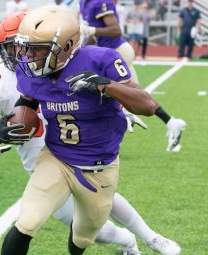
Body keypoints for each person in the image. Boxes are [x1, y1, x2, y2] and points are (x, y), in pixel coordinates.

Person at [0, 11, 180, 255]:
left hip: (98, 167)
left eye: (36, 50)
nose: (27, 57)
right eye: (26, 49)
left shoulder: (100, 60)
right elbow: (26, 104)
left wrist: (107, 87)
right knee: (26, 222)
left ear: (68, 45)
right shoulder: (30, 73)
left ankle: (123, 239)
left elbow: (147, 105)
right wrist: (4, 128)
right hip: (56, 158)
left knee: (80, 242)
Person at [79, 0, 187, 152]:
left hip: (116, 53)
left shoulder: (100, 2)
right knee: (136, 95)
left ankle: (106, 140)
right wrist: (82, 47)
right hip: (109, 53)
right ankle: (171, 123)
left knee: (116, 96)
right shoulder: (84, 3)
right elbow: (94, 36)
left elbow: (116, 30)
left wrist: (90, 30)